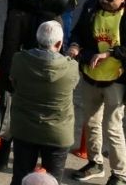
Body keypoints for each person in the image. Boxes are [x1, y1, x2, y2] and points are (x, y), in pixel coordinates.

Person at [68, 0, 126, 183]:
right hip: (91, 76)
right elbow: (78, 32)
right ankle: (95, 163)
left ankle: (120, 174)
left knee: (113, 128)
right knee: (91, 122)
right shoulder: (91, 7)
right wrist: (74, 45)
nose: (104, 1)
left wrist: (110, 54)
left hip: (117, 81)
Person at [9, 20, 78, 185]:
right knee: (53, 180)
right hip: (59, 133)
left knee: (20, 177)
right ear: (60, 43)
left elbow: (14, 84)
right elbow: (73, 86)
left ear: (37, 39)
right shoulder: (71, 67)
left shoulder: (19, 60)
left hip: (25, 128)